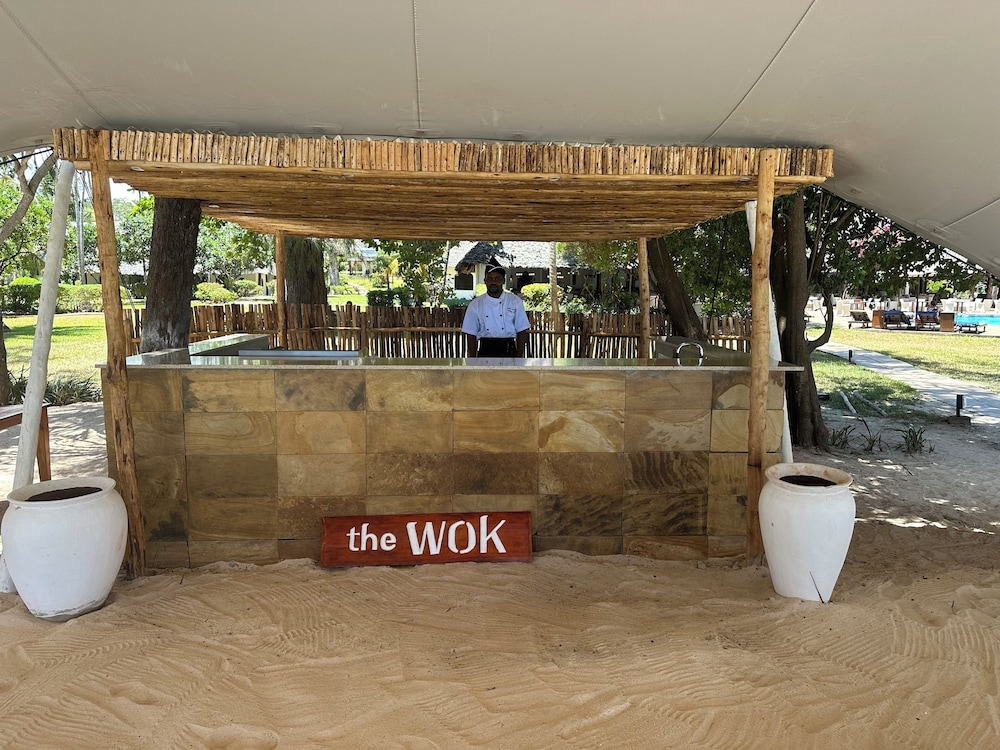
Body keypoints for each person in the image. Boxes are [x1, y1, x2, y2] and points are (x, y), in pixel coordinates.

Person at [462, 257, 530, 357]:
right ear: (485, 280)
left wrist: (519, 358)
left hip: (509, 349)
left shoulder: (515, 301)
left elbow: (521, 330)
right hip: (485, 350)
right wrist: (473, 360)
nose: (493, 282)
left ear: (503, 281)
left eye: (497, 279)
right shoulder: (475, 304)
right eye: (490, 278)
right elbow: (471, 334)